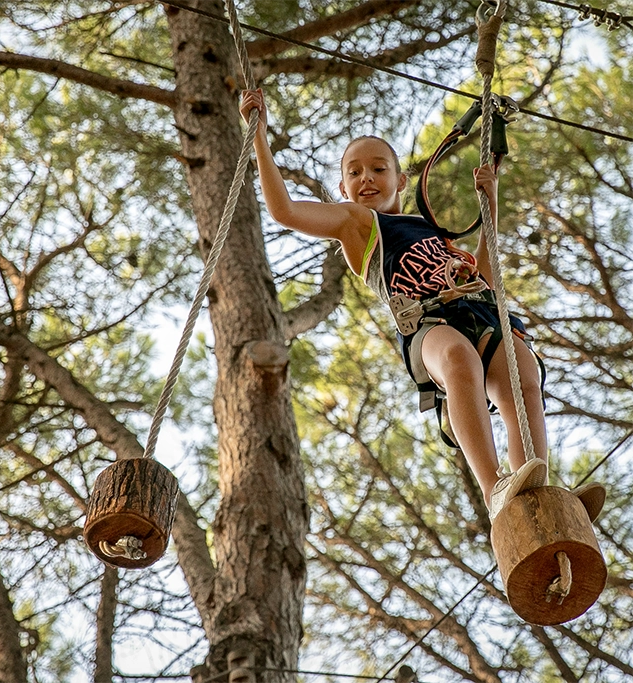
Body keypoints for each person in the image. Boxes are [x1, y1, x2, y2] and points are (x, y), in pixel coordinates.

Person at [239, 88, 605, 523]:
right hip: (429, 323)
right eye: (354, 173)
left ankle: (538, 492)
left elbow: (485, 280)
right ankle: (496, 490)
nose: (367, 179)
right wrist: (259, 135)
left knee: (521, 373)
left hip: (480, 310)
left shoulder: (433, 231)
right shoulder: (357, 223)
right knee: (456, 358)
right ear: (343, 188)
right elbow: (284, 211)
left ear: (401, 180)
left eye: (378, 169)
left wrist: (489, 208)